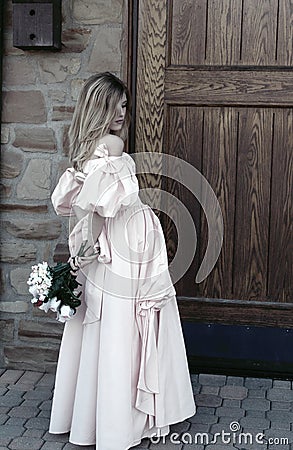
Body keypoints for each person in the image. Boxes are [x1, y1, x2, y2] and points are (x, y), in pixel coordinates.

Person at [49, 72, 195, 449]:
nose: (121, 113)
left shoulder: (88, 147)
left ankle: (93, 418)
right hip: (122, 244)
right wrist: (86, 248)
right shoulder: (111, 145)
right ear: (99, 107)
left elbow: (82, 206)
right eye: (115, 104)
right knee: (121, 322)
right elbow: (98, 206)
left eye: (125, 105)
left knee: (106, 325)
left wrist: (82, 247)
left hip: (118, 242)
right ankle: (119, 421)